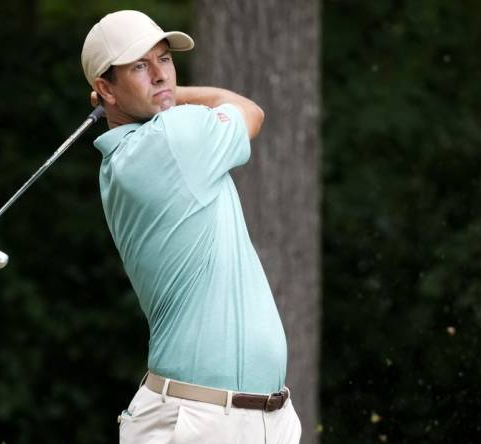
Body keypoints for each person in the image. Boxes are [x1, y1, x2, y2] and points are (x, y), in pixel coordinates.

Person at [80, 10, 302, 444]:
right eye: (140, 66)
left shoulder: (135, 153)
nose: (161, 75)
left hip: (259, 418)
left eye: (164, 60)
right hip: (200, 420)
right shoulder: (170, 141)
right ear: (105, 88)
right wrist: (176, 95)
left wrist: (157, 93)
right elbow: (248, 111)